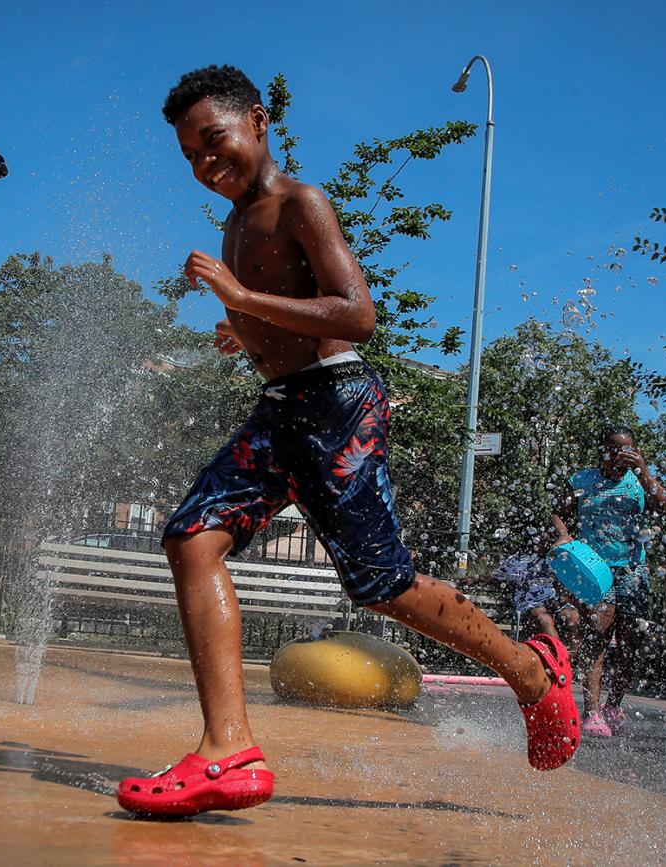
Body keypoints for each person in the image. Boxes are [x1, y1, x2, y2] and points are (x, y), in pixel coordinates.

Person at [115, 66, 580, 817]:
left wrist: (240, 297)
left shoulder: (302, 201)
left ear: (258, 122)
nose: (206, 164)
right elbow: (291, 310)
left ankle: (533, 673)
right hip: (281, 406)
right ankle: (227, 748)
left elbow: (356, 315)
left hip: (336, 407)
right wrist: (247, 330)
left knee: (382, 586)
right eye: (191, 157)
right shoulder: (235, 223)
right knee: (191, 536)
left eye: (214, 141)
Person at [555, 425, 666, 739]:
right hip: (595, 568)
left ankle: (614, 704)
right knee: (599, 633)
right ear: (603, 450)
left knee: (630, 642)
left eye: (628, 448)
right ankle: (591, 710)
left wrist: (645, 473)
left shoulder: (639, 480)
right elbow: (558, 512)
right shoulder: (583, 480)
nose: (621, 455)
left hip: (632, 569)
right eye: (615, 448)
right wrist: (563, 535)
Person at [485, 517, 576, 641]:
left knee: (573, 617)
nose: (548, 540)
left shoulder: (554, 560)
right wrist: (474, 579)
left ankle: (571, 656)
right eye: (543, 537)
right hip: (530, 605)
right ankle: (557, 656)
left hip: (553, 603)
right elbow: (496, 577)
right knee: (545, 619)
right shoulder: (518, 561)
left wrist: (560, 599)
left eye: (548, 537)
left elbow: (564, 584)